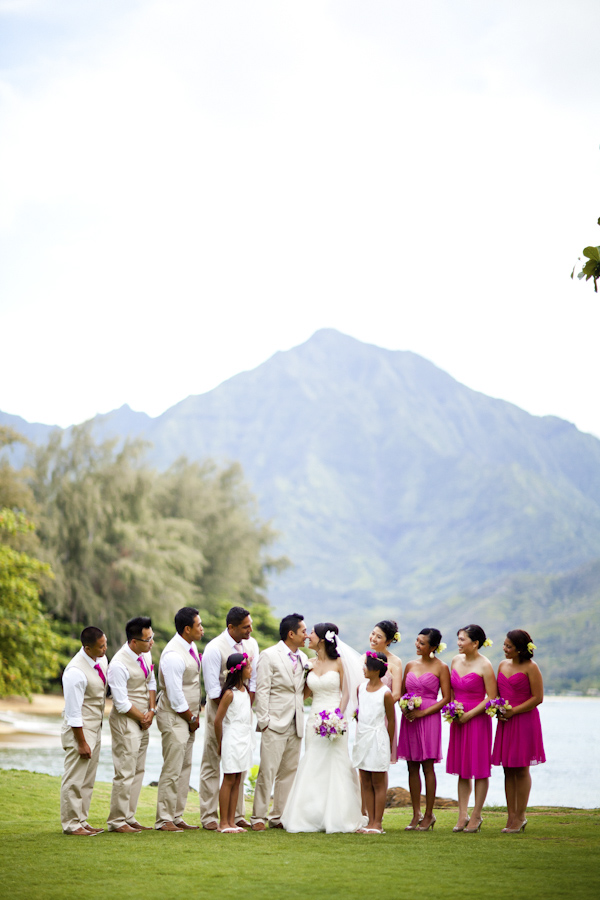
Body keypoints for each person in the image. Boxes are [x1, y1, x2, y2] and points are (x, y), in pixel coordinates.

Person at [281, 622, 365, 833]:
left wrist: (338, 716)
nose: (308, 636)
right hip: (314, 719)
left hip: (335, 717)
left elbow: (346, 693)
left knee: (336, 764)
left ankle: (339, 816)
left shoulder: (340, 663)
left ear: (322, 639)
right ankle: (310, 815)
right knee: (313, 762)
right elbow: (305, 694)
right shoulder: (309, 663)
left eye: (312, 634)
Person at [200, 606, 259, 830]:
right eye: (246, 627)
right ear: (231, 627)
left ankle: (234, 817)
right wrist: (231, 705)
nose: (250, 630)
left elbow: (253, 681)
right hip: (223, 712)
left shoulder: (251, 644)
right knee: (213, 766)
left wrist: (245, 704)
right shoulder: (214, 648)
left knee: (237, 775)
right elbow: (214, 689)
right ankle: (211, 817)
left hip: (242, 715)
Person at [251, 614, 308, 831]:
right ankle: (258, 816)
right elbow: (262, 690)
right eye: (303, 631)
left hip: (296, 722)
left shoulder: (304, 659)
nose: (306, 635)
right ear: (291, 633)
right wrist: (263, 721)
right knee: (268, 770)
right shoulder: (268, 655)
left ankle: (279, 816)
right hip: (273, 722)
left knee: (289, 772)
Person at [155, 607, 203, 832]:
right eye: (198, 625)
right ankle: (163, 819)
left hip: (189, 718)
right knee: (172, 768)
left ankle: (177, 815)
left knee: (185, 768)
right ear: (187, 629)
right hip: (176, 717)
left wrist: (194, 716)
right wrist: (191, 717)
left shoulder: (191, 647)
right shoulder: (174, 655)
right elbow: (174, 695)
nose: (202, 629)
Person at [492, 629, 545, 833]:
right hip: (505, 720)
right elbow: (497, 694)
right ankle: (511, 815)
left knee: (521, 768)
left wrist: (514, 711)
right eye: (504, 645)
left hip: (524, 720)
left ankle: (521, 816)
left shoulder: (532, 667)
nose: (504, 649)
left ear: (520, 649)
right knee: (507, 768)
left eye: (508, 646)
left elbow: (537, 698)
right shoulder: (502, 665)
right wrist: (498, 710)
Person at [106, 616, 157, 833]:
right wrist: (143, 717)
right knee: (125, 770)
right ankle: (117, 821)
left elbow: (151, 681)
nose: (152, 642)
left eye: (152, 637)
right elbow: (121, 702)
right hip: (126, 720)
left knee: (139, 769)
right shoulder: (118, 664)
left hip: (143, 718)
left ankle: (129, 816)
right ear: (134, 641)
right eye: (148, 639)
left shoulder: (145, 653)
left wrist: (152, 710)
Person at [397, 628, 450, 831]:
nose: (417, 645)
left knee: (428, 766)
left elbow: (446, 698)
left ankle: (429, 814)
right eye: (417, 641)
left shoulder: (441, 667)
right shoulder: (410, 665)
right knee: (411, 766)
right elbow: (402, 693)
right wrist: (404, 707)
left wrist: (422, 713)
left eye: (422, 643)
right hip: (410, 718)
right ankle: (415, 813)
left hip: (429, 718)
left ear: (433, 647)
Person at [446, 624, 497, 833]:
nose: (458, 643)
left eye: (462, 639)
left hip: (477, 719)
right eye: (458, 639)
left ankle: (476, 814)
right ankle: (462, 814)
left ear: (475, 643)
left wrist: (469, 714)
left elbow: (492, 698)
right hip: (458, 719)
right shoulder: (455, 660)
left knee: (480, 769)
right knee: (462, 770)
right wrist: (453, 710)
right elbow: (450, 691)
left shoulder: (485, 665)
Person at [60, 626, 108, 836]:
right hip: (79, 729)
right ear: (87, 648)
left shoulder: (101, 660)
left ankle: (81, 819)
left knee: (88, 778)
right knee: (74, 778)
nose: (105, 649)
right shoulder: (75, 672)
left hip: (95, 727)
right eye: (101, 646)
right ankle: (71, 824)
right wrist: (81, 742)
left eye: (105, 644)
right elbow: (73, 712)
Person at [351, 652, 396, 834]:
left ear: (376, 670)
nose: (363, 669)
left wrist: (389, 744)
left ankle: (377, 823)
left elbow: (391, 721)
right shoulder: (360, 688)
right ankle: (369, 820)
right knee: (366, 781)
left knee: (378, 781)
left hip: (378, 739)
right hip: (363, 737)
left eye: (366, 666)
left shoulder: (386, 693)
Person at [214, 653, 254, 833]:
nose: (251, 669)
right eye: (248, 666)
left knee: (238, 779)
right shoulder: (230, 694)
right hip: (232, 738)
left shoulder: (245, 690)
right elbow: (217, 720)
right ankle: (223, 823)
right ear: (239, 670)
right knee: (229, 778)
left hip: (244, 738)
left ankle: (232, 821)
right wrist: (220, 742)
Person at [365, 620, 402, 762]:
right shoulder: (364, 658)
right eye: (373, 634)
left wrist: (378, 708)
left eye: (379, 637)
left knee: (380, 763)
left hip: (383, 716)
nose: (373, 638)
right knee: (364, 761)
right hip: (365, 717)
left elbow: (397, 694)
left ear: (389, 641)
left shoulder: (395, 661)